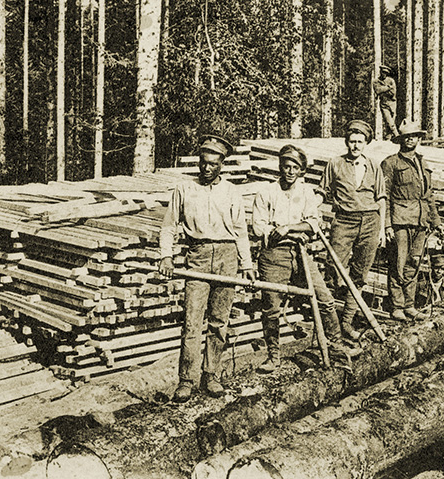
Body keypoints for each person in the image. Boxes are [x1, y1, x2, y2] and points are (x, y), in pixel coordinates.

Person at [158, 134, 255, 402]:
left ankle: (211, 375)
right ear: (199, 162)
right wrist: (166, 256)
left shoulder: (232, 191)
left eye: (213, 163)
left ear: (222, 164)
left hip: (227, 256)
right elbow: (168, 225)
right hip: (198, 256)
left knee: (219, 322)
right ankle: (186, 381)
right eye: (204, 162)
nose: (207, 167)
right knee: (192, 322)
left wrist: (246, 264)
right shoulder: (184, 190)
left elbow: (240, 231)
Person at [251, 144, 361, 372]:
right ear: (280, 167)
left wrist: (288, 228)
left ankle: (337, 348)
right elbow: (258, 228)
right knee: (271, 308)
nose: (290, 171)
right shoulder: (267, 193)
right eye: (286, 166)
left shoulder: (306, 192)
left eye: (295, 168)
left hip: (300, 255)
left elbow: (313, 223)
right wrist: (290, 231)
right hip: (273, 256)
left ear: (301, 170)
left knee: (325, 299)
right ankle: (273, 357)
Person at [319, 119, 387, 341]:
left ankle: (346, 322)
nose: (355, 146)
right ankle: (328, 323)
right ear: (346, 142)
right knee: (333, 269)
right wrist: (312, 212)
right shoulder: (335, 163)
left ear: (366, 143)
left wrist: (382, 230)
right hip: (344, 221)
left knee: (359, 274)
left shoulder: (374, 165)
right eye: (352, 141)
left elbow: (381, 198)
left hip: (370, 221)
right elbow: (322, 192)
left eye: (360, 141)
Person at [380, 120, 440, 321]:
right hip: (400, 220)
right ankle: (396, 306)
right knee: (398, 262)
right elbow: (384, 196)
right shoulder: (391, 163)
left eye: (414, 136)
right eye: (407, 136)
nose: (411, 139)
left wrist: (436, 221)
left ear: (419, 139)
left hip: (421, 220)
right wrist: (387, 224)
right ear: (401, 140)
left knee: (414, 263)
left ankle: (409, 305)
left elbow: (428, 194)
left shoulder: (423, 163)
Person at [372, 66, 399, 140]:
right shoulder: (376, 81)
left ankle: (388, 137)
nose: (384, 74)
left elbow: (393, 92)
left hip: (392, 102)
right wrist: (387, 88)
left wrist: (384, 89)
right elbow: (378, 90)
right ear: (380, 72)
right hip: (384, 103)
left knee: (392, 120)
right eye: (383, 72)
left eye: (386, 73)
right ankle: (397, 135)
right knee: (388, 120)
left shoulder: (391, 80)